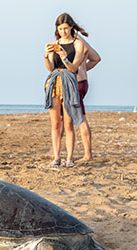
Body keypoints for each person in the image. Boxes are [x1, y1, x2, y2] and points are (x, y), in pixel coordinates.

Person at [43, 13, 87, 168]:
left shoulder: (78, 44)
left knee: (68, 124)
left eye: (66, 28)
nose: (63, 32)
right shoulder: (54, 43)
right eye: (60, 29)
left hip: (69, 81)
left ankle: (69, 158)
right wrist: (46, 55)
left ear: (71, 27)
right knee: (56, 124)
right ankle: (56, 157)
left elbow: (74, 67)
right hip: (55, 82)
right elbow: (50, 68)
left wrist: (64, 57)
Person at [75, 35, 100, 161]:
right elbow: (96, 58)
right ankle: (54, 150)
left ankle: (88, 154)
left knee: (80, 118)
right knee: (65, 118)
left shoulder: (77, 41)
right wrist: (84, 69)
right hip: (83, 81)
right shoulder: (82, 41)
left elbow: (86, 52)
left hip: (77, 83)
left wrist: (79, 69)